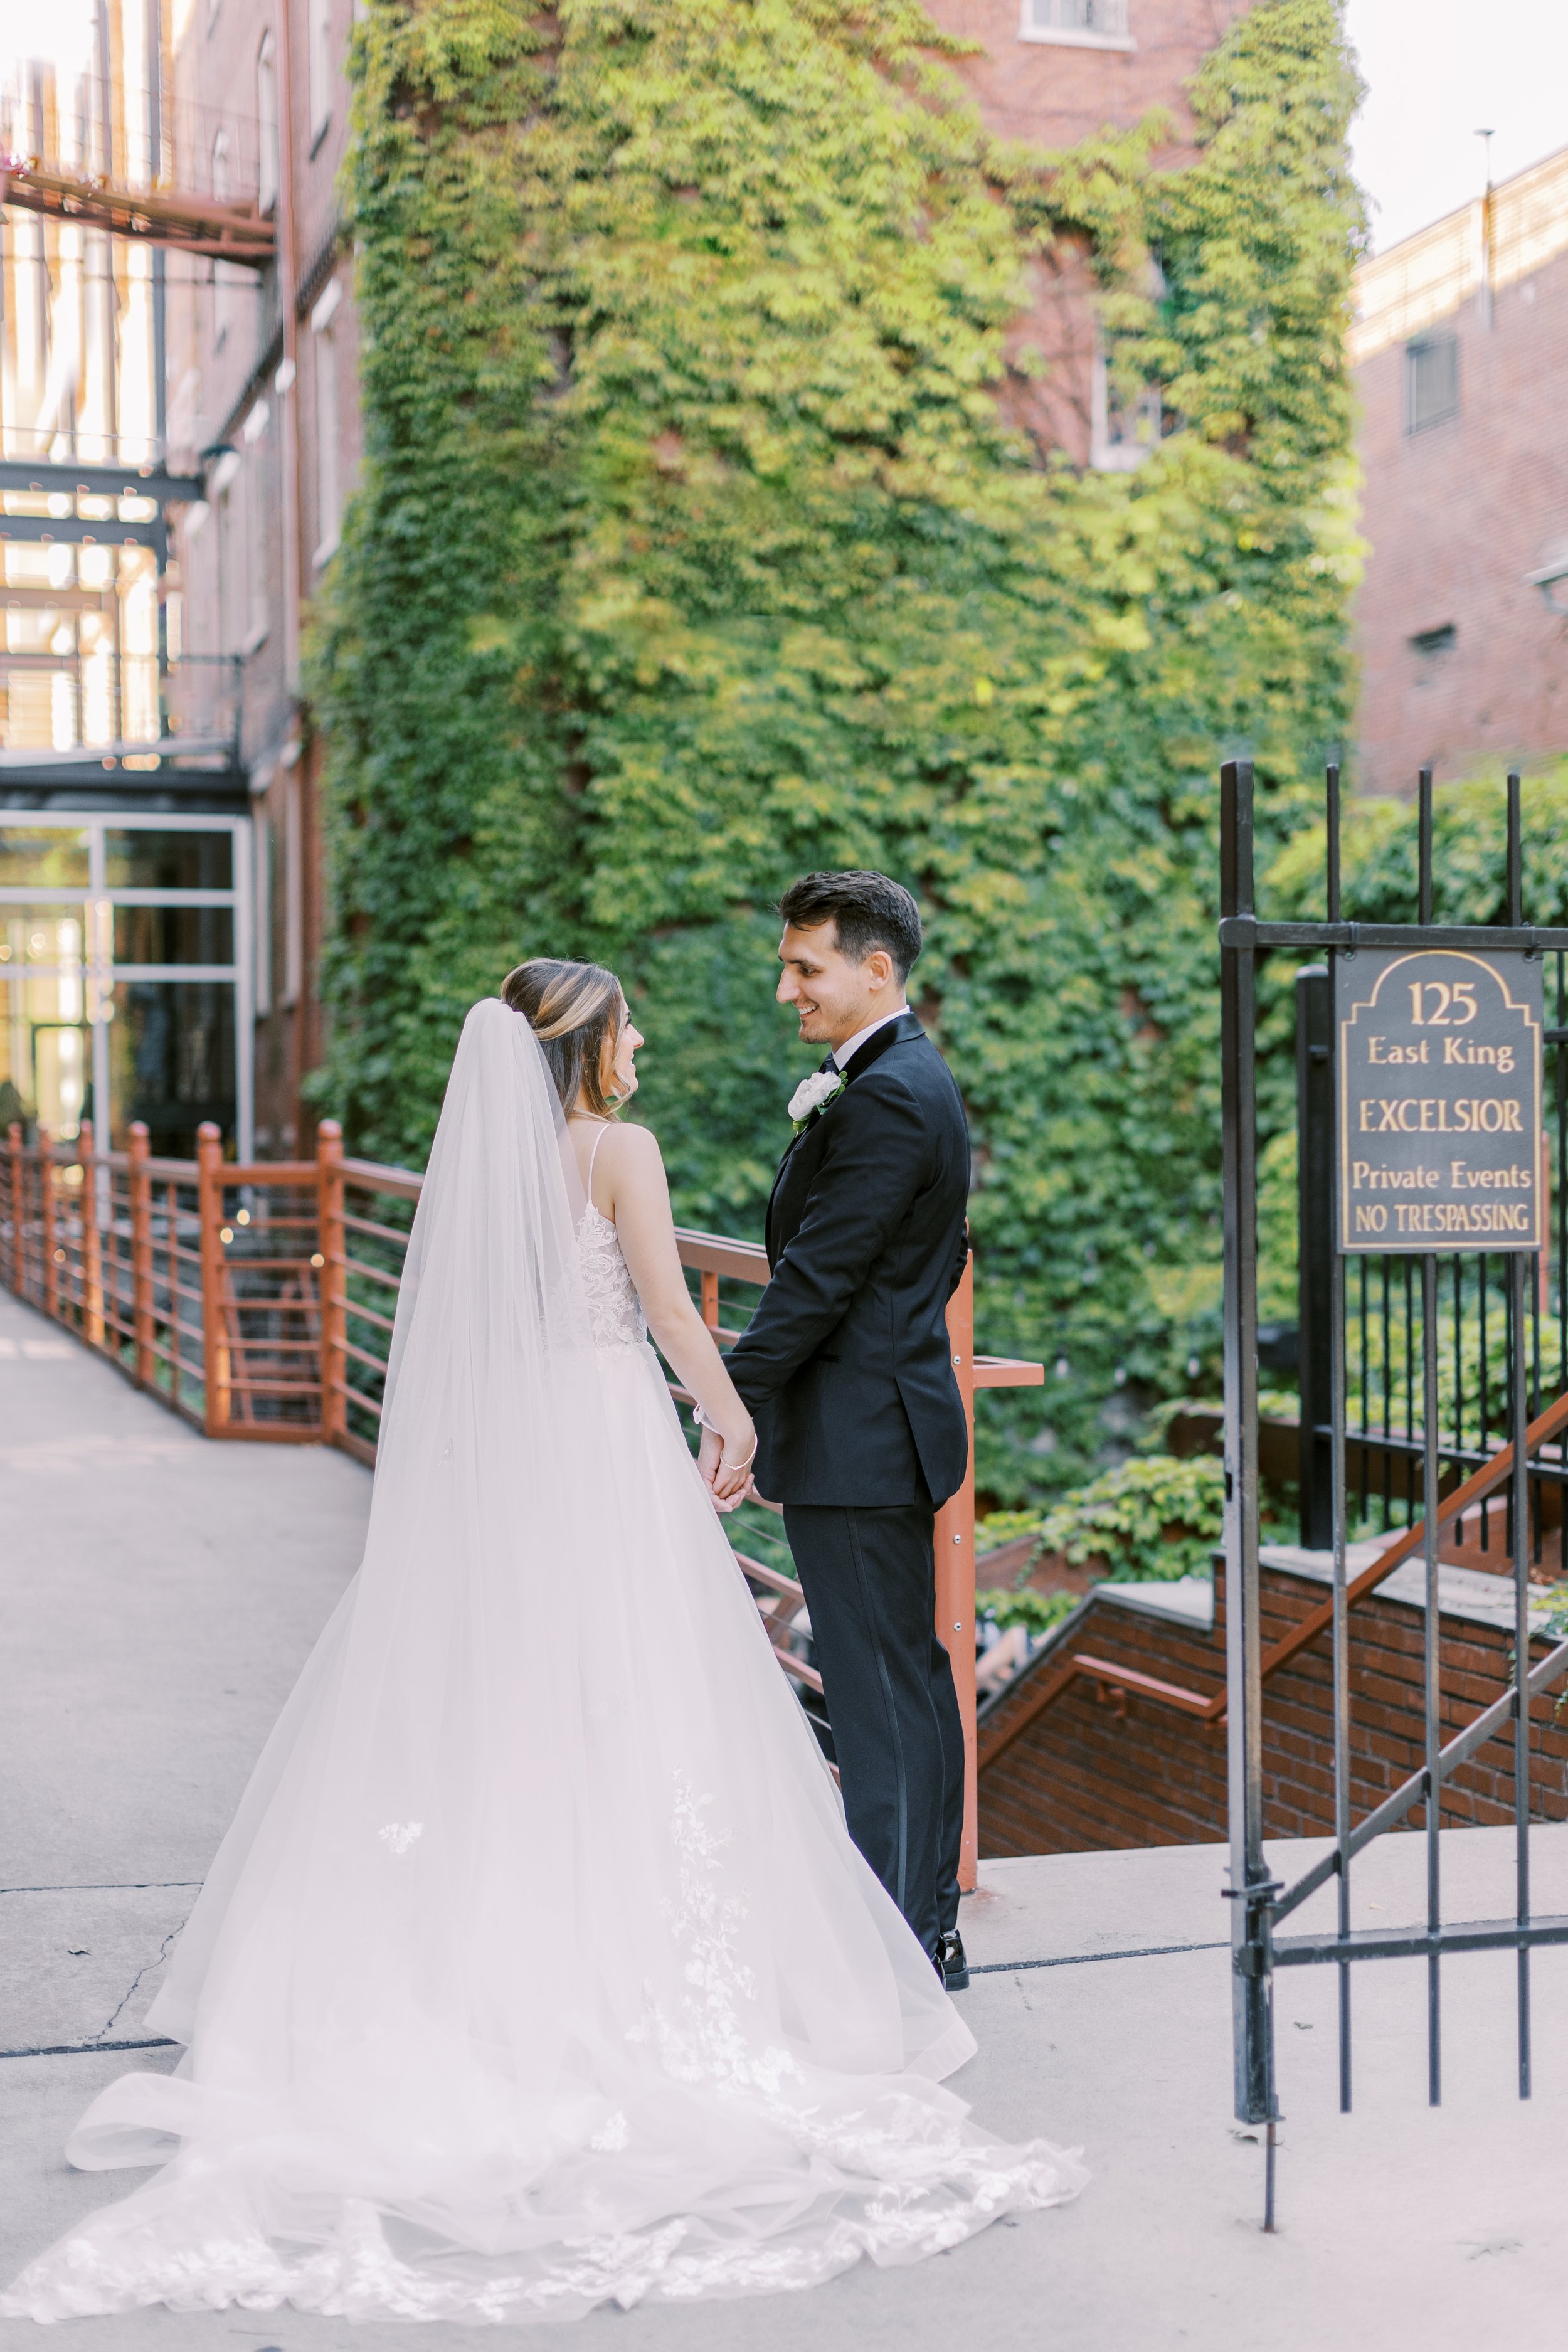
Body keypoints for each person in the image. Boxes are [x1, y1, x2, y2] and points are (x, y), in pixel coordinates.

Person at [1, 968, 1083, 2326]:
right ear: (587, 1050)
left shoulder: (494, 1173)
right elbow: (670, 1310)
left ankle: (492, 1965)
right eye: (627, 1027)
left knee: (511, 1697)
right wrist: (729, 1416)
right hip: (605, 1439)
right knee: (636, 1696)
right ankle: (638, 1967)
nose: (639, 1046)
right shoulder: (619, 1149)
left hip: (514, 1448)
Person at [711, 873, 972, 1986]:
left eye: (805, 967)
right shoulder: (898, 1081)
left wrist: (732, 1405)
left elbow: (817, 1279)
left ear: (877, 969)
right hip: (881, 1421)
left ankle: (893, 1948)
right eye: (787, 963)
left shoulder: (890, 1096)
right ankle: (925, 1926)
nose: (787, 988)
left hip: (862, 1436)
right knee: (906, 1679)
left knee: (876, 1696)